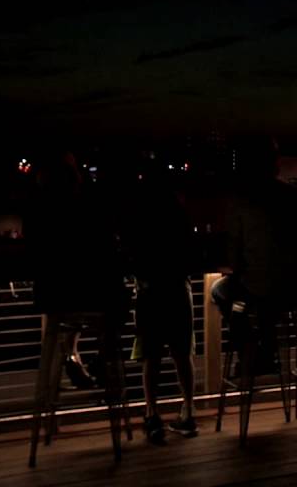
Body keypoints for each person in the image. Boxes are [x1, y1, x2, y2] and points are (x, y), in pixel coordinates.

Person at [25, 152, 128, 393]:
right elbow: (105, 247)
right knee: (118, 297)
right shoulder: (84, 212)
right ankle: (104, 359)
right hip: (85, 295)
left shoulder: (39, 210)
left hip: (51, 295)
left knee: (74, 311)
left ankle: (74, 357)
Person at [211, 136, 297, 369]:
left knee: (219, 290)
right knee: (264, 297)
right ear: (275, 163)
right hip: (293, 290)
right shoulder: (296, 198)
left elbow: (233, 258)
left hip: (258, 289)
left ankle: (250, 350)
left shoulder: (240, 200)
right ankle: (266, 348)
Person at [124, 166, 198, 442]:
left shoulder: (137, 217)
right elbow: (191, 255)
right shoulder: (179, 215)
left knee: (151, 356)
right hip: (178, 288)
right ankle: (188, 410)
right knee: (182, 354)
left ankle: (151, 415)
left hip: (150, 291)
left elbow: (131, 256)